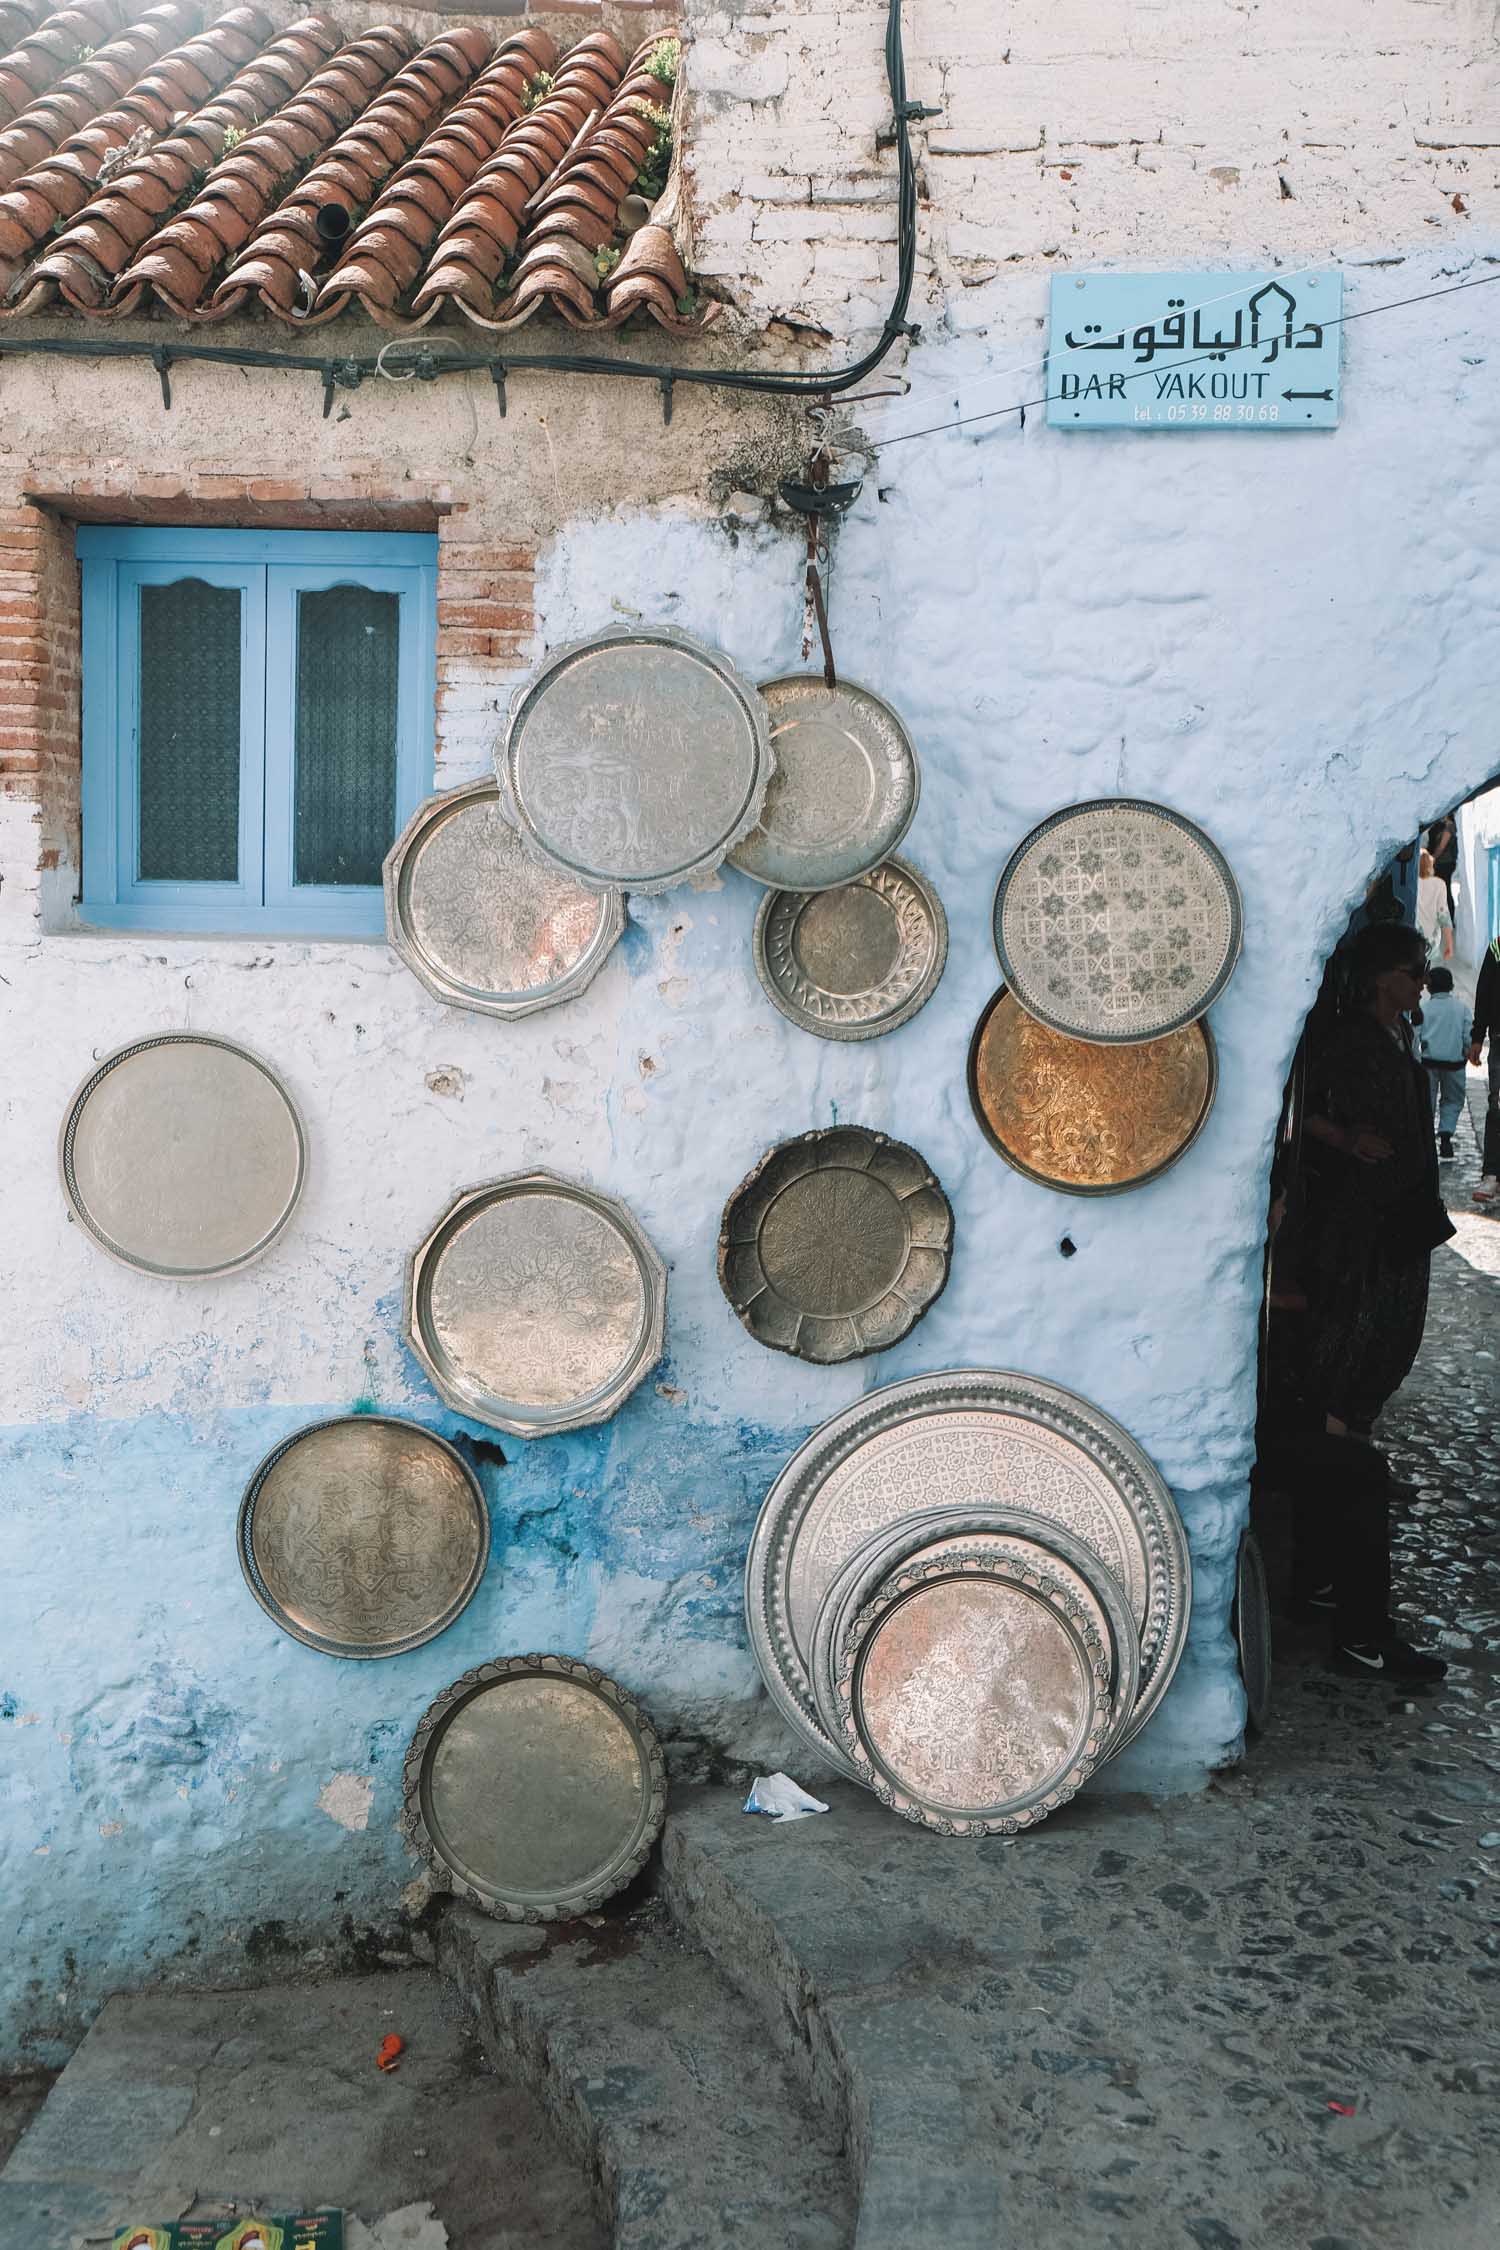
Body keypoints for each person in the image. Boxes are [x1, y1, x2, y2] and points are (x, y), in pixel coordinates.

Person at [1297, 921, 1454, 1679]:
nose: (1421, 979)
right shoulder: (1348, 1040)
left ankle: (1322, 1577)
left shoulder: (1400, 1039)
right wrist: (1341, 1138)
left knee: (1365, 1381)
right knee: (1344, 1388)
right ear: (1378, 975)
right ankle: (1350, 1609)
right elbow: (1295, 1113)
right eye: (1411, 968)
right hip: (1357, 1239)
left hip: (1392, 1230)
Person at [1418, 964, 1471, 1158]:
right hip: (1454, 1063)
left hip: (1429, 1063)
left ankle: (1426, 1140)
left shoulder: (1424, 1009)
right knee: (1453, 1100)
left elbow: (1415, 1036)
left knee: (1427, 1101)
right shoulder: (1461, 1009)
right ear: (1450, 986)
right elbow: (1467, 1035)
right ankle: (1446, 1134)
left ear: (1428, 987)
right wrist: (1467, 1052)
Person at [1471, 931, 1500, 1205]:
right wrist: (1477, 1037)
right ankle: (1491, 1174)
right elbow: (1485, 991)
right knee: (1497, 1105)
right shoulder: (1497, 947)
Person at [1415, 847, 1453, 962]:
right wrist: (1449, 945)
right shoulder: (1439, 884)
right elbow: (1444, 916)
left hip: (1412, 938)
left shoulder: (1412, 884)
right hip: (1431, 942)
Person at [1427, 812, 1459, 922]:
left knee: (1444, 891)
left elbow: (1441, 847)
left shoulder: (1449, 826)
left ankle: (1448, 919)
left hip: (1444, 864)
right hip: (1444, 864)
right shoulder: (1446, 826)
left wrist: (1432, 859)